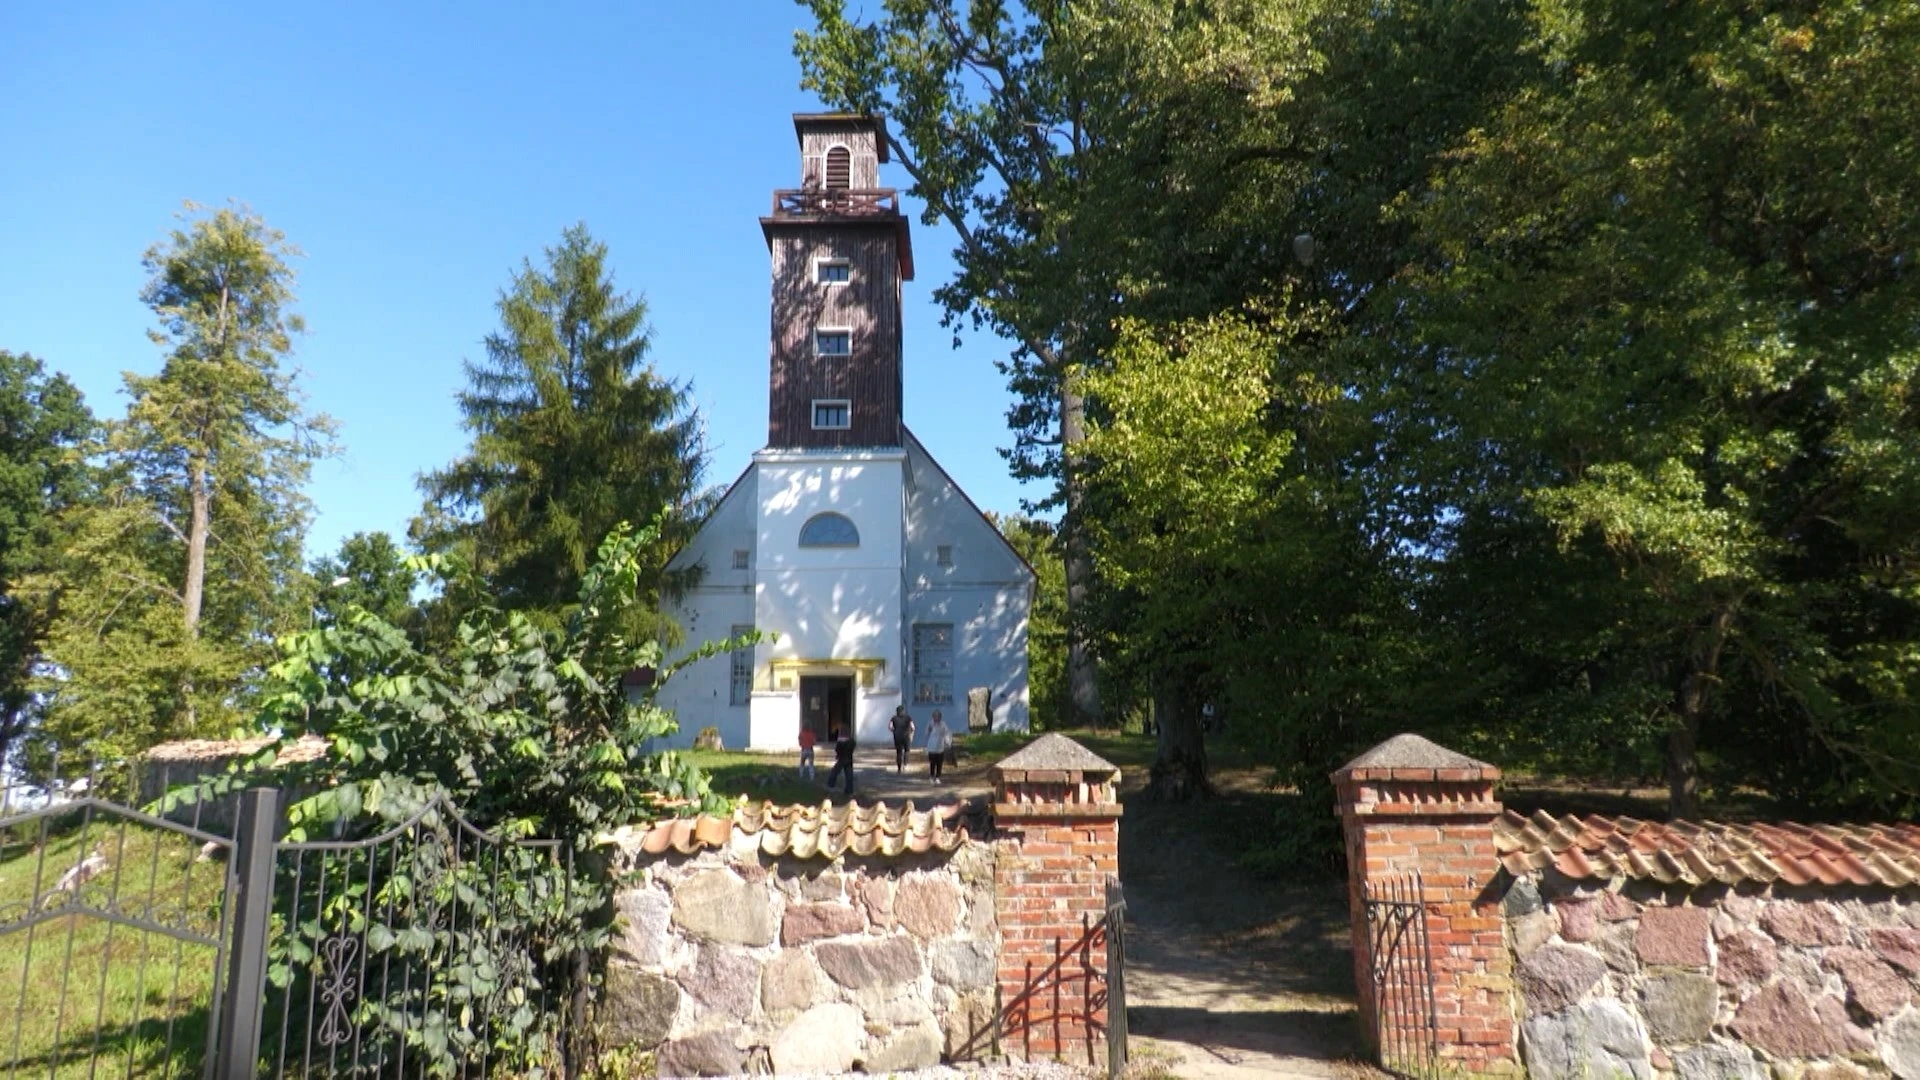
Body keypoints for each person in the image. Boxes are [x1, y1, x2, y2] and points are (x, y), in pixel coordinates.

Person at [826, 722, 856, 796]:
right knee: (849, 775)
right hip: (849, 758)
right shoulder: (852, 741)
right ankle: (849, 790)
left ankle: (830, 784)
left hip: (842, 758)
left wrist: (838, 755)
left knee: (835, 772)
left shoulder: (840, 740)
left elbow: (837, 749)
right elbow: (852, 748)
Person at [925, 710, 952, 783]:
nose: (936, 718)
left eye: (938, 716)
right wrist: (929, 730)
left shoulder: (943, 724)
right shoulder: (930, 723)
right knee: (932, 762)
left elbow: (947, 733)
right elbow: (926, 733)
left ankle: (938, 777)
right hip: (931, 746)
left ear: (940, 717)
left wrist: (948, 743)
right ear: (933, 717)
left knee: (939, 763)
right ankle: (931, 776)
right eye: (935, 716)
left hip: (940, 746)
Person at [888, 705, 915, 773]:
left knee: (899, 752)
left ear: (897, 711)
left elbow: (890, 726)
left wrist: (894, 731)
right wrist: (911, 735)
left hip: (897, 737)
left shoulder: (894, 718)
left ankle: (899, 768)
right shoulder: (908, 718)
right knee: (907, 751)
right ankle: (905, 766)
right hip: (906, 736)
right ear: (903, 711)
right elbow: (913, 727)